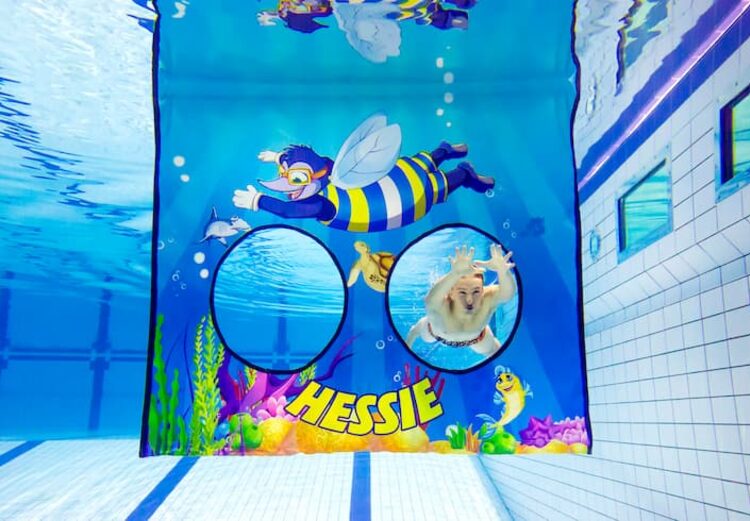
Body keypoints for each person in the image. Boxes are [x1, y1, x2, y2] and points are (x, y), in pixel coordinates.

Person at [406, 244, 516, 356]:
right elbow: (430, 300)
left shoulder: (488, 297)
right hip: (436, 334)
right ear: (451, 293)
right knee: (416, 332)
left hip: (477, 338)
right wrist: (455, 274)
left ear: (483, 289)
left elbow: (507, 294)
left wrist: (503, 272)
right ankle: (412, 333)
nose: (469, 299)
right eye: (462, 292)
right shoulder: (442, 304)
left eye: (476, 291)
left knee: (494, 351)